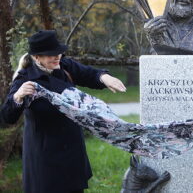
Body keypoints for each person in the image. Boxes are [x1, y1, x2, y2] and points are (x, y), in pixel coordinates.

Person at [0, 30, 127, 193]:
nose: (57, 56)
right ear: (37, 57)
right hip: (44, 157)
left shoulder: (65, 66)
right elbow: (7, 116)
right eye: (51, 54)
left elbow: (89, 74)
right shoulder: (25, 79)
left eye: (58, 52)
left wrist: (104, 77)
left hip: (72, 150)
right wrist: (17, 97)